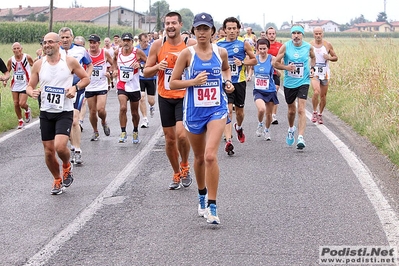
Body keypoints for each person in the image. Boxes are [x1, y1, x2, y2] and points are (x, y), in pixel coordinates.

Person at [170, 12, 234, 224]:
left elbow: (226, 71)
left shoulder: (221, 52)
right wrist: (193, 82)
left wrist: (227, 83)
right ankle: (201, 194)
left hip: (216, 108)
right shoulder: (187, 54)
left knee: (209, 156)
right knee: (198, 158)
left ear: (213, 31)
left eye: (206, 28)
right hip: (194, 111)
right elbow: (173, 83)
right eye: (199, 29)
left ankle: (213, 206)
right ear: (194, 31)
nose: (202, 32)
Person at [26, 32, 90, 195]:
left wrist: (75, 88)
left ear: (58, 43)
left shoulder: (69, 61)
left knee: (60, 146)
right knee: (48, 151)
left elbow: (85, 79)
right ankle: (57, 179)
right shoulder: (39, 65)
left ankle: (67, 166)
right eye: (44, 43)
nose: (46, 45)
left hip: (64, 111)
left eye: (50, 42)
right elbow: (29, 86)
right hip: (46, 111)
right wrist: (31, 92)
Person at [143, 11, 196, 190]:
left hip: (184, 96)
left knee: (182, 135)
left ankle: (185, 164)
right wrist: (158, 66)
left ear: (181, 25)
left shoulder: (191, 45)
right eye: (167, 23)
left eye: (174, 23)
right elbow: (146, 71)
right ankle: (176, 172)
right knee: (170, 139)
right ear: (164, 26)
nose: (170, 26)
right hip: (165, 96)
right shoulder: (158, 45)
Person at [217, 17, 257, 155]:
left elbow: (254, 60)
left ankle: (238, 127)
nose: (232, 31)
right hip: (225, 82)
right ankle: (229, 140)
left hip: (239, 81)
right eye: (229, 28)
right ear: (224, 30)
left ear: (238, 30)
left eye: (234, 28)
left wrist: (243, 63)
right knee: (228, 110)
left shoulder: (243, 43)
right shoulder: (219, 44)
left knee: (239, 111)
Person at [272, 24, 315, 150]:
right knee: (291, 110)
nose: (296, 36)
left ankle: (301, 137)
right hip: (290, 83)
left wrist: (312, 69)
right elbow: (275, 63)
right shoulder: (285, 46)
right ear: (291, 35)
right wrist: (286, 68)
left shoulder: (308, 47)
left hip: (304, 81)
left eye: (298, 33)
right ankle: (291, 128)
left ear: (302, 34)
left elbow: (313, 58)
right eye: (294, 33)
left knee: (301, 109)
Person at [59, 27, 93, 165]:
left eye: (67, 37)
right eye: (62, 37)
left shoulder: (80, 50)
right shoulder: (55, 51)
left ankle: (77, 150)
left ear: (72, 38)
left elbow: (89, 65)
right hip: (60, 91)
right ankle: (72, 146)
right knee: (63, 120)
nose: (65, 40)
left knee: (74, 119)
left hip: (77, 89)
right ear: (59, 39)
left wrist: (86, 78)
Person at [112, 32, 147, 144]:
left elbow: (149, 63)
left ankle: (135, 131)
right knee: (123, 108)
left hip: (134, 86)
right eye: (124, 40)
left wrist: (141, 65)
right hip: (121, 84)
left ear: (132, 42)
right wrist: (115, 69)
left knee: (134, 112)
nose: (126, 43)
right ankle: (123, 132)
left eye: (128, 41)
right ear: (122, 41)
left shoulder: (138, 52)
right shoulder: (118, 52)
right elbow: (113, 60)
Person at [248, 39, 279, 141]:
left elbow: (278, 72)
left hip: (270, 90)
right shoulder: (255, 59)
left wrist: (277, 71)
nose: (262, 51)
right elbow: (251, 68)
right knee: (261, 109)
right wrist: (249, 76)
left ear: (268, 48)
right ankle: (260, 124)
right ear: (257, 49)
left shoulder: (272, 59)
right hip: (258, 90)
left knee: (269, 114)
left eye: (264, 48)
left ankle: (266, 129)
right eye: (260, 49)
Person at [86, 34, 113, 141]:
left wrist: (110, 73)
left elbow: (114, 63)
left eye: (94, 42)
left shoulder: (104, 53)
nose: (92, 45)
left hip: (102, 85)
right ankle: (95, 131)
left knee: (100, 110)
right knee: (92, 111)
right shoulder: (86, 53)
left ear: (98, 43)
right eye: (91, 42)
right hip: (89, 86)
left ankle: (104, 121)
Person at [310, 26, 338, 124]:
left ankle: (320, 114)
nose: (318, 35)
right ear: (313, 34)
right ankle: (314, 111)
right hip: (314, 72)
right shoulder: (310, 45)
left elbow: (335, 57)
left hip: (325, 73)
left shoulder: (327, 45)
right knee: (316, 92)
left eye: (320, 33)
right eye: (316, 33)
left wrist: (329, 58)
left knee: (323, 96)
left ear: (323, 34)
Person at [6, 42, 34, 129]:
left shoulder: (27, 57)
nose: (16, 50)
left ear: (21, 49)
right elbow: (7, 71)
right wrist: (5, 80)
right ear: (12, 50)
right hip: (15, 84)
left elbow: (34, 65)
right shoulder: (11, 60)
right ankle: (20, 121)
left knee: (22, 103)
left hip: (26, 83)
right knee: (16, 103)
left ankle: (27, 109)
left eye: (18, 48)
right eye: (14, 49)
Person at [136, 32, 156, 128]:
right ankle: (144, 119)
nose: (146, 43)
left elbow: (154, 61)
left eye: (147, 41)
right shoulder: (136, 49)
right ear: (139, 41)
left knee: (151, 100)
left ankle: (152, 107)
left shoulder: (152, 48)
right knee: (142, 97)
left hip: (151, 77)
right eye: (144, 42)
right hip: (140, 77)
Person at [266, 27, 283, 125]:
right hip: (265, 74)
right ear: (267, 35)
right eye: (270, 33)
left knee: (274, 91)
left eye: (273, 33)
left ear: (275, 34)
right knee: (266, 94)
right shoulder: (263, 45)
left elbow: (281, 60)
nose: (272, 35)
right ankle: (268, 112)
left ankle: (273, 115)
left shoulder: (280, 46)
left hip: (275, 73)